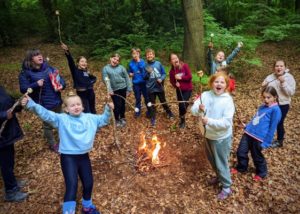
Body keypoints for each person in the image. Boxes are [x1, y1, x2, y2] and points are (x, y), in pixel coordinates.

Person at [21, 92, 113, 214]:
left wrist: (108, 109)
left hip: (84, 157)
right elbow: (46, 114)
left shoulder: (90, 118)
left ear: (83, 106)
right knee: (72, 185)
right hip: (68, 158)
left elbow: (103, 120)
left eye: (78, 104)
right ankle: (68, 211)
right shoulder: (62, 119)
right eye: (72, 105)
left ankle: (87, 207)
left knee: (89, 182)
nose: (76, 107)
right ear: (66, 109)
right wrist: (31, 104)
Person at [191, 72, 235, 200]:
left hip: (221, 138)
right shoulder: (205, 95)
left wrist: (209, 121)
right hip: (207, 135)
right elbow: (193, 111)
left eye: (222, 82)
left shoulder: (227, 100)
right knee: (212, 160)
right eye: (216, 81)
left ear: (226, 85)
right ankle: (219, 176)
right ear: (211, 83)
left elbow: (227, 123)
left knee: (221, 162)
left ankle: (227, 187)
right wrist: (198, 108)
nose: (219, 84)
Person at [19, 49, 66, 152]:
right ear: (30, 59)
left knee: (62, 121)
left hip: (57, 100)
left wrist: (62, 84)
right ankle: (53, 144)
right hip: (43, 104)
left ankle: (65, 140)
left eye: (40, 54)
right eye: (36, 55)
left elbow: (60, 78)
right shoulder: (25, 73)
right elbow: (23, 89)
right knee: (48, 125)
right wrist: (36, 84)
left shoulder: (49, 68)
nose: (40, 56)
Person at [231, 86, 282, 181]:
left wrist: (267, 142)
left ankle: (262, 172)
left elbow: (272, 128)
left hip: (259, 138)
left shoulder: (276, 110)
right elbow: (256, 119)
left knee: (256, 156)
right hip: (248, 134)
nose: (266, 100)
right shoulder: (262, 107)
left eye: (268, 97)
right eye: (264, 97)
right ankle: (242, 167)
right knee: (240, 151)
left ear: (275, 97)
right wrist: (247, 126)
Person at [0, 86, 28, 202]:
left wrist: (19, 104)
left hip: (6, 133)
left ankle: (12, 181)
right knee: (5, 163)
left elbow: (8, 104)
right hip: (1, 135)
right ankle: (11, 191)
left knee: (9, 160)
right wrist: (3, 115)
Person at [262, 60, 296, 148]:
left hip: (283, 104)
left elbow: (291, 93)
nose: (279, 68)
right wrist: (263, 86)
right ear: (274, 68)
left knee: (278, 122)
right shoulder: (270, 77)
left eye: (281, 66)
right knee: (268, 120)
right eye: (277, 66)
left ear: (285, 67)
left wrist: (283, 82)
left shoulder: (289, 77)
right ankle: (265, 137)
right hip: (270, 104)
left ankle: (279, 141)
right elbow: (264, 91)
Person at [61, 43, 97, 114]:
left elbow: (94, 78)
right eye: (82, 61)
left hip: (90, 92)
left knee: (92, 108)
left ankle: (94, 123)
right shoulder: (75, 70)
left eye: (85, 62)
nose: (84, 63)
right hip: (82, 93)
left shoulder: (86, 72)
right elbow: (70, 61)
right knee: (87, 110)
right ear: (77, 63)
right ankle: (87, 124)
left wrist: (91, 82)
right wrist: (67, 51)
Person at [143, 48, 174, 126]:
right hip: (150, 88)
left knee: (163, 101)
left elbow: (164, 73)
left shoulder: (158, 63)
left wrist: (161, 79)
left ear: (154, 55)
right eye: (148, 54)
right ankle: (153, 118)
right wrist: (147, 73)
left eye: (151, 54)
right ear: (146, 56)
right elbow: (144, 77)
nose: (149, 55)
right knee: (152, 103)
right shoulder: (145, 65)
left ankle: (169, 113)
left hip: (159, 87)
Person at [102, 53, 132, 127]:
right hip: (114, 90)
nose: (115, 61)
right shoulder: (106, 68)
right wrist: (109, 89)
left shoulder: (121, 68)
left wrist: (129, 89)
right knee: (117, 105)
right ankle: (117, 119)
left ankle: (122, 117)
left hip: (123, 88)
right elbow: (106, 80)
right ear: (110, 58)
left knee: (122, 104)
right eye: (114, 59)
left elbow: (127, 78)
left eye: (117, 60)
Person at [169, 53, 193, 128]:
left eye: (176, 58)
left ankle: (182, 114)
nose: (175, 59)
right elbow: (172, 81)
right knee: (181, 106)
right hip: (179, 90)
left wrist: (181, 78)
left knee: (183, 105)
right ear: (171, 61)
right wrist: (175, 85)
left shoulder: (184, 66)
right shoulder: (172, 72)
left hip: (188, 89)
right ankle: (182, 121)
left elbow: (189, 77)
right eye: (173, 59)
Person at [128, 48, 150, 118]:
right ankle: (137, 112)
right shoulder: (131, 63)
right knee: (138, 98)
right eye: (134, 54)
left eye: (137, 54)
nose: (135, 55)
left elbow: (143, 68)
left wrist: (138, 61)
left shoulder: (143, 61)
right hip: (136, 83)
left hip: (144, 82)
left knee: (146, 97)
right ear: (132, 55)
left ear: (139, 54)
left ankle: (150, 111)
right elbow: (129, 71)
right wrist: (130, 74)